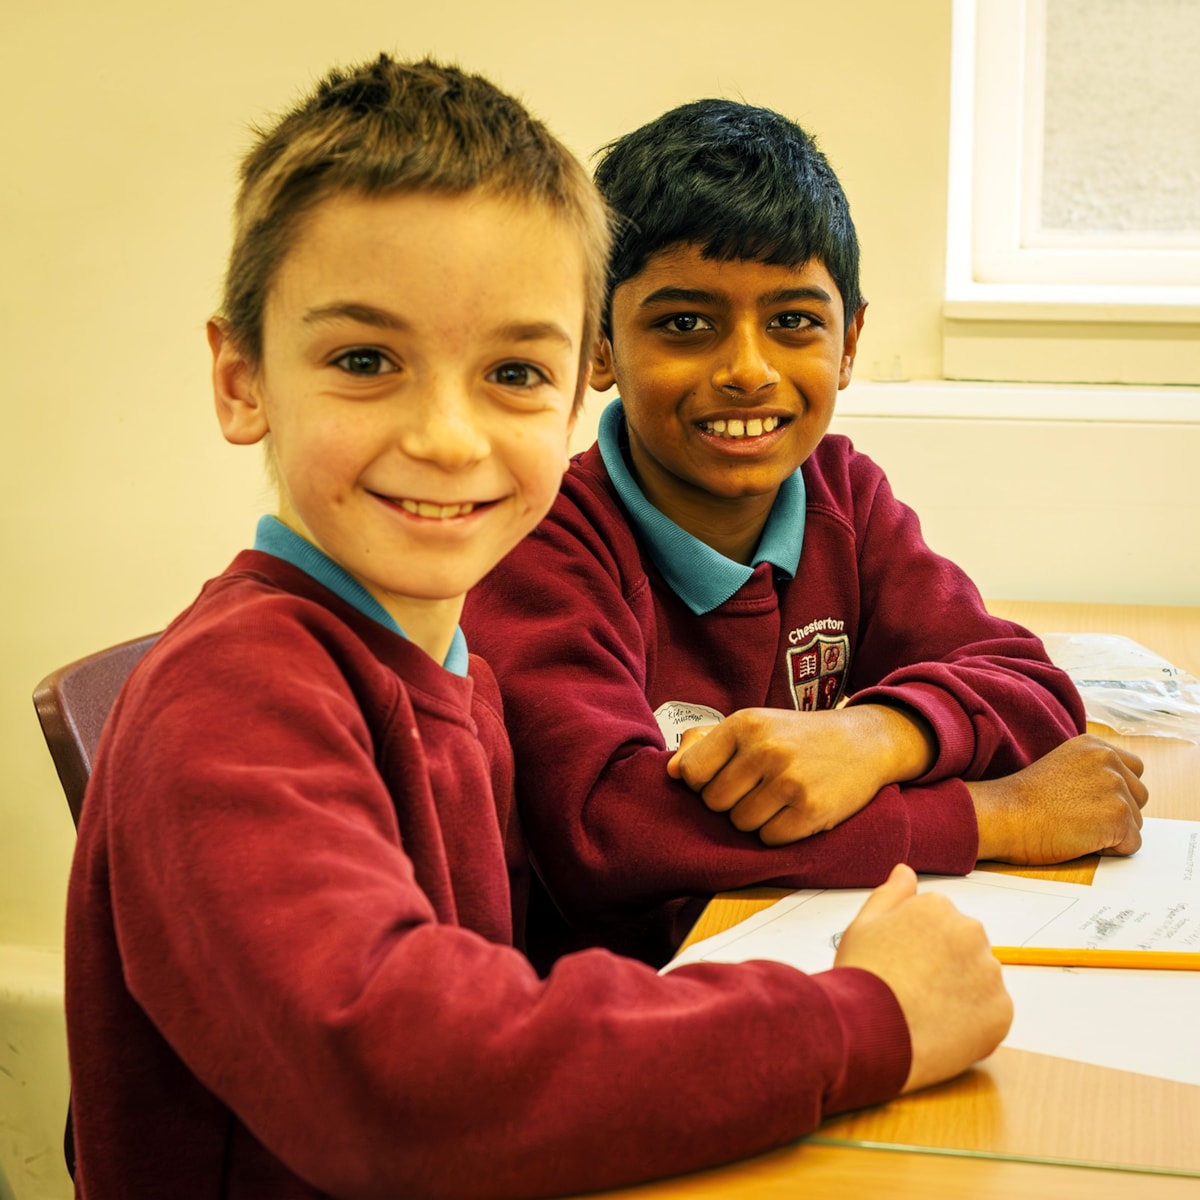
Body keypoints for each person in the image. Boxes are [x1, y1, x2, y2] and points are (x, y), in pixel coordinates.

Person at [65, 59, 1015, 1199]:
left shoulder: (440, 661)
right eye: (366, 360)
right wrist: (865, 1017)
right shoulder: (238, 695)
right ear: (241, 378)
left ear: (576, 392)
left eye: (513, 370)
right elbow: (404, 1082)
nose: (451, 437)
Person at [462, 99, 1148, 968]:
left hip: (817, 951)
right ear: (598, 343)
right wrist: (991, 815)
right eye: (683, 323)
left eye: (793, 321)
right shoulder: (543, 544)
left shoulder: (842, 496)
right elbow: (610, 830)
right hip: (643, 1011)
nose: (748, 369)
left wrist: (873, 739)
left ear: (850, 342)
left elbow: (1031, 688)